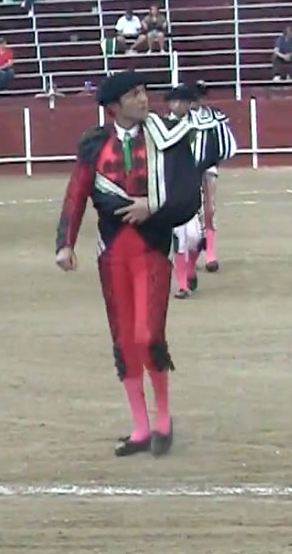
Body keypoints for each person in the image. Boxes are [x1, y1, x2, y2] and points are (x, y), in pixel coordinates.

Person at [54, 71, 221, 457]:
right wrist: (64, 244)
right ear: (114, 107)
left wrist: (154, 206)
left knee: (148, 336)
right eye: (134, 94)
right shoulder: (95, 145)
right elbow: (77, 192)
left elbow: (186, 193)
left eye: (144, 91)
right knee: (125, 340)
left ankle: (163, 418)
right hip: (111, 251)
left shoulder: (165, 138)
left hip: (151, 246)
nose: (144, 99)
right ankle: (141, 427)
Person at [164, 83, 237, 297]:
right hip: (175, 181)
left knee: (199, 229)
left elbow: (221, 147)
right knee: (180, 233)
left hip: (199, 174)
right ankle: (182, 284)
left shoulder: (208, 120)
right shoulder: (164, 124)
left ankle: (194, 264)